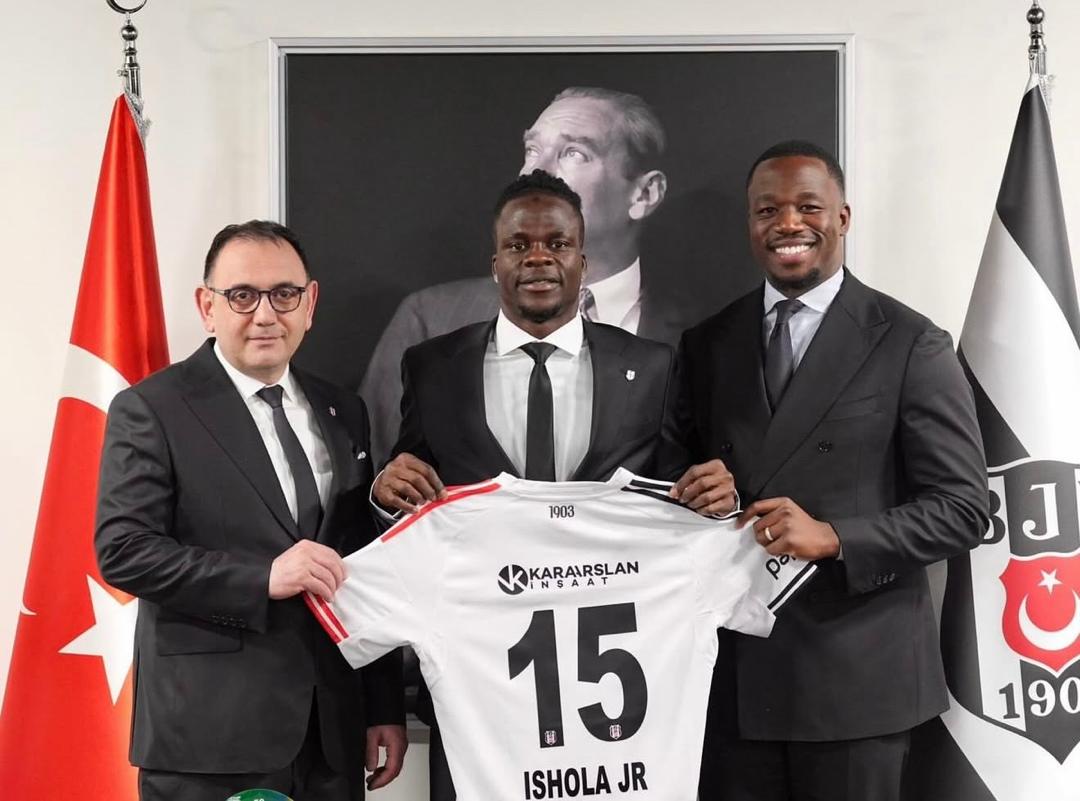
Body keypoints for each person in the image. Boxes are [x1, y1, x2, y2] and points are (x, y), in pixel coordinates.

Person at [373, 170, 735, 801]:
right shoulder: (432, 368)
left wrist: (714, 503)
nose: (537, 258)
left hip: (614, 695)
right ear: (495, 262)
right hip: (476, 691)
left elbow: (678, 502)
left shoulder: (651, 367)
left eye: (557, 244)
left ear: (582, 262)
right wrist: (386, 495)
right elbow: (411, 497)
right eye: (518, 245)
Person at [676, 141, 989, 801]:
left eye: (808, 207)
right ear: (751, 223)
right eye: (768, 210)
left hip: (858, 680)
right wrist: (697, 493)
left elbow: (964, 509)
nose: (788, 223)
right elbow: (674, 479)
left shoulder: (910, 341)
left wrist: (835, 537)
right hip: (731, 677)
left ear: (843, 218)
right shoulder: (707, 343)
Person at [95, 220, 407, 801]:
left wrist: (382, 704)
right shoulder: (152, 408)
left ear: (309, 303)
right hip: (209, 741)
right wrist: (263, 578)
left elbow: (364, 560)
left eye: (284, 294)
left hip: (331, 737)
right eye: (242, 295)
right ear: (207, 307)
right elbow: (124, 552)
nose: (265, 315)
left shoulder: (344, 410)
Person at [361, 86, 695, 465]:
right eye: (532, 149)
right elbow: (383, 471)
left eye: (574, 153)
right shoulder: (429, 321)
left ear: (645, 194)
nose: (535, 170)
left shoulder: (696, 344)